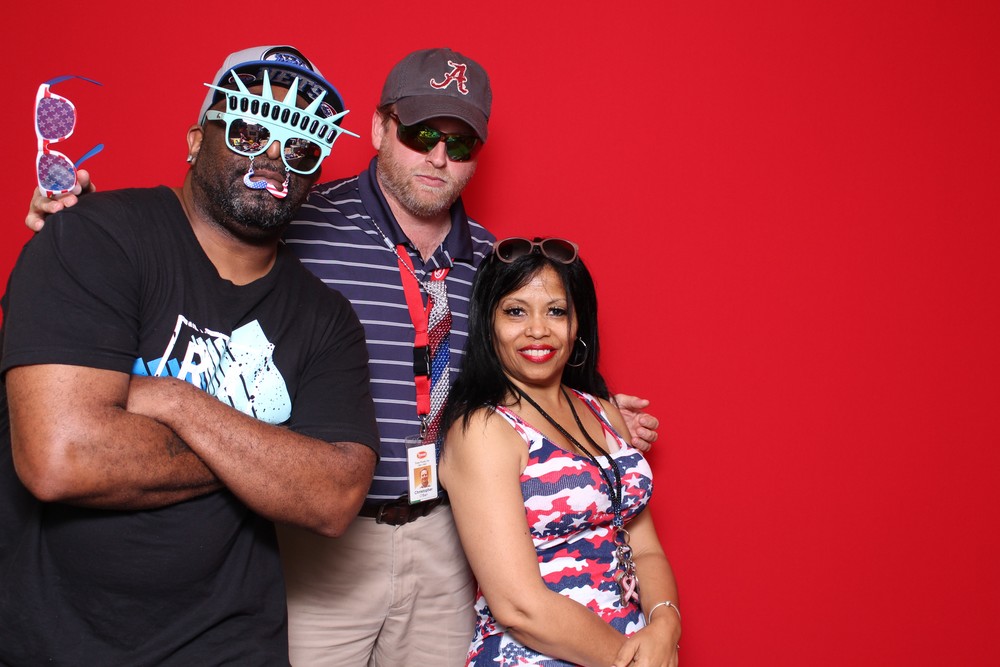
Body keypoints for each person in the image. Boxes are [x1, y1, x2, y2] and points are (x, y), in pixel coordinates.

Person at [24, 47, 661, 666]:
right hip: (320, 539)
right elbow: (206, 229)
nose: (438, 156)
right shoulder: (298, 214)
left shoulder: (494, 261)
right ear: (381, 129)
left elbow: (521, 369)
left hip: (447, 530)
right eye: (419, 133)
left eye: (460, 143)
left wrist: (587, 419)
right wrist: (75, 219)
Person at [1, 46, 380, 665]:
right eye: (250, 131)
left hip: (232, 644)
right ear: (195, 140)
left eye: (300, 147)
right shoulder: (93, 237)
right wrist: (271, 455)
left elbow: (335, 496)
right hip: (58, 640)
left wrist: (177, 401)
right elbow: (61, 458)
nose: (273, 157)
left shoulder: (326, 317)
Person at [439, 237, 681, 667]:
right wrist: (632, 662)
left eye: (556, 311)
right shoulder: (484, 430)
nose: (538, 330)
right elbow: (520, 607)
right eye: (515, 311)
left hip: (630, 647)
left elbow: (643, 548)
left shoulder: (603, 411)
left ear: (577, 323)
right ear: (488, 322)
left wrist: (666, 624)